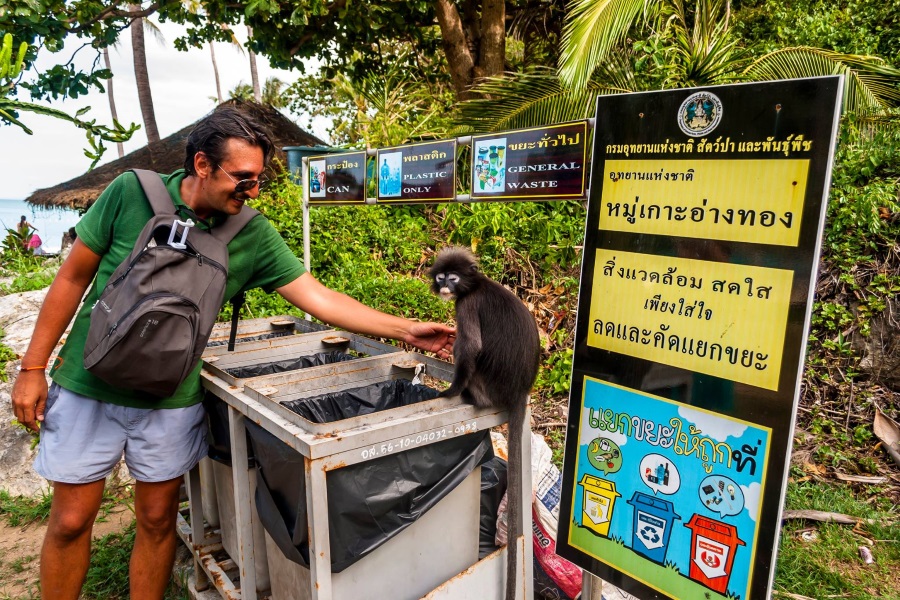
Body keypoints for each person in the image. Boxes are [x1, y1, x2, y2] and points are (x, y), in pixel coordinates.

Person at [10, 105, 454, 600]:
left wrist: (405, 330)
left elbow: (319, 297)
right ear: (202, 165)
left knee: (157, 519)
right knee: (71, 521)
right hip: (88, 383)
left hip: (169, 398)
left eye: (258, 179)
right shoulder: (130, 193)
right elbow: (71, 278)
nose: (253, 191)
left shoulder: (250, 233)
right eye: (242, 178)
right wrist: (33, 367)